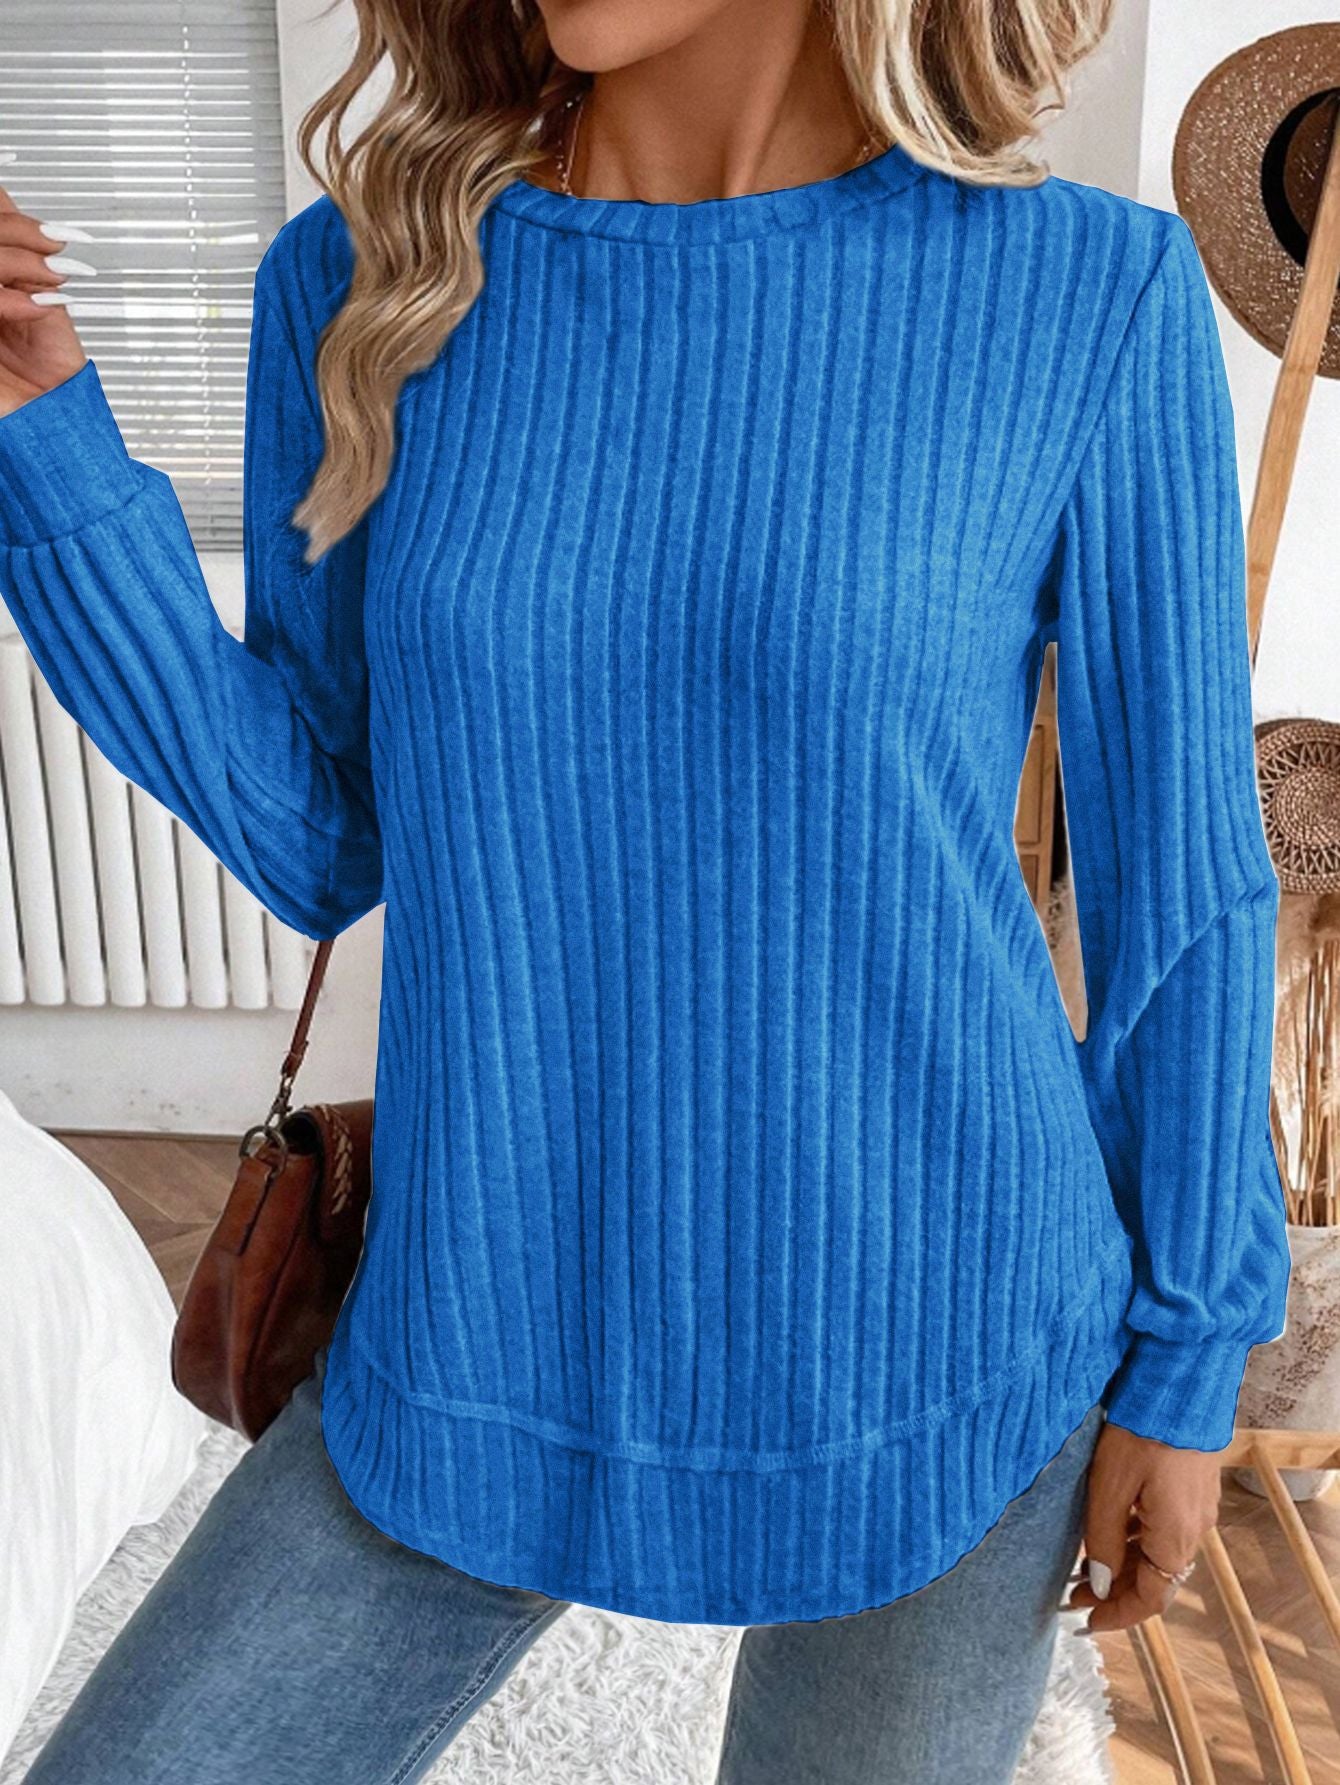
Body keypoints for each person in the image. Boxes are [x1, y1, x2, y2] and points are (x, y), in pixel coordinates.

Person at [0, 1, 1289, 1780]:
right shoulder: (368, 285)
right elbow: (318, 832)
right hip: (485, 1319)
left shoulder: (1087, 295)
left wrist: (1190, 1354)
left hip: (945, 1335)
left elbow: (1184, 891)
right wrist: (42, 440)